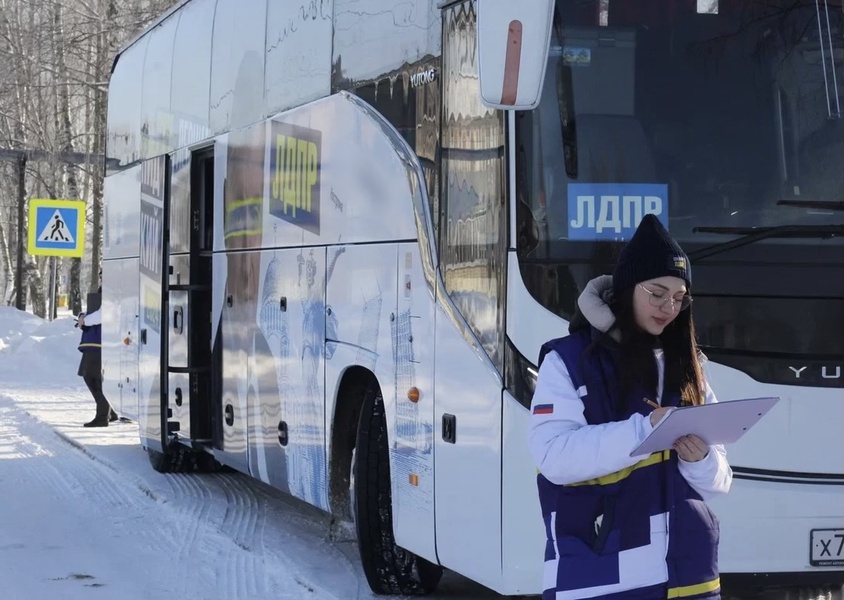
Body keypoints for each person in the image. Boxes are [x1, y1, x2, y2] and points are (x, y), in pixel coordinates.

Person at [528, 214, 732, 599]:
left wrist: (700, 458)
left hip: (691, 577)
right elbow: (553, 456)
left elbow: (720, 482)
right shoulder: (568, 361)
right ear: (626, 288)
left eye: (678, 297)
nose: (668, 307)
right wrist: (645, 430)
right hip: (600, 575)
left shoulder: (690, 366)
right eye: (657, 293)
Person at [77, 292, 117, 427]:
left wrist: (85, 320)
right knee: (95, 378)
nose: (100, 277)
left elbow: (102, 314)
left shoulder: (111, 289)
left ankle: (102, 416)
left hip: (98, 342)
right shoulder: (104, 290)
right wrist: (82, 316)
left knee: (92, 377)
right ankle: (109, 412)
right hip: (95, 340)